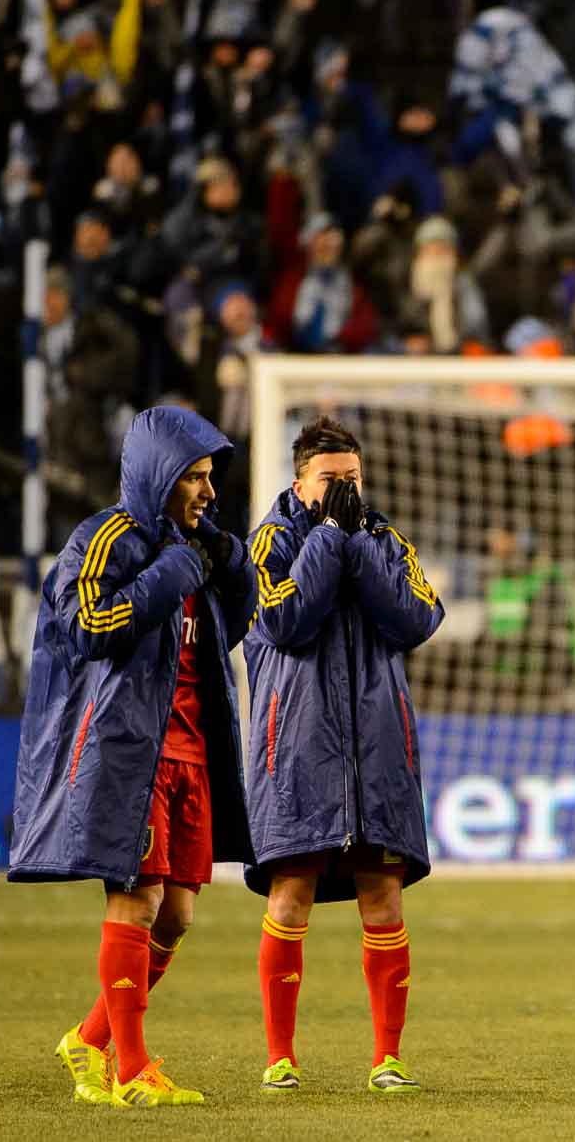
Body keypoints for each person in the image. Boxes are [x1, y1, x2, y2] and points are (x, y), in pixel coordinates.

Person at [11, 406, 256, 1109]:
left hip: (193, 749)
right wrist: (170, 572)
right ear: (160, 476)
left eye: (212, 479)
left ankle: (88, 1038)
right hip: (128, 748)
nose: (209, 493)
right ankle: (133, 1067)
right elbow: (89, 625)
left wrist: (230, 568)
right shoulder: (104, 537)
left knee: (176, 914)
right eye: (196, 479)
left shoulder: (194, 543)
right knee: (138, 897)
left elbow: (220, 633)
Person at [243, 416, 446, 1095]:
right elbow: (284, 622)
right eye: (331, 480)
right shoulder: (269, 542)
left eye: (352, 480)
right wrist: (329, 539)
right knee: (291, 893)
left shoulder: (385, 539)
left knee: (382, 895)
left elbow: (417, 619)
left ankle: (387, 1056)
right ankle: (280, 1056)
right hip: (298, 745)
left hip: (378, 746)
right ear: (300, 482)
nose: (345, 491)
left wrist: (354, 542)